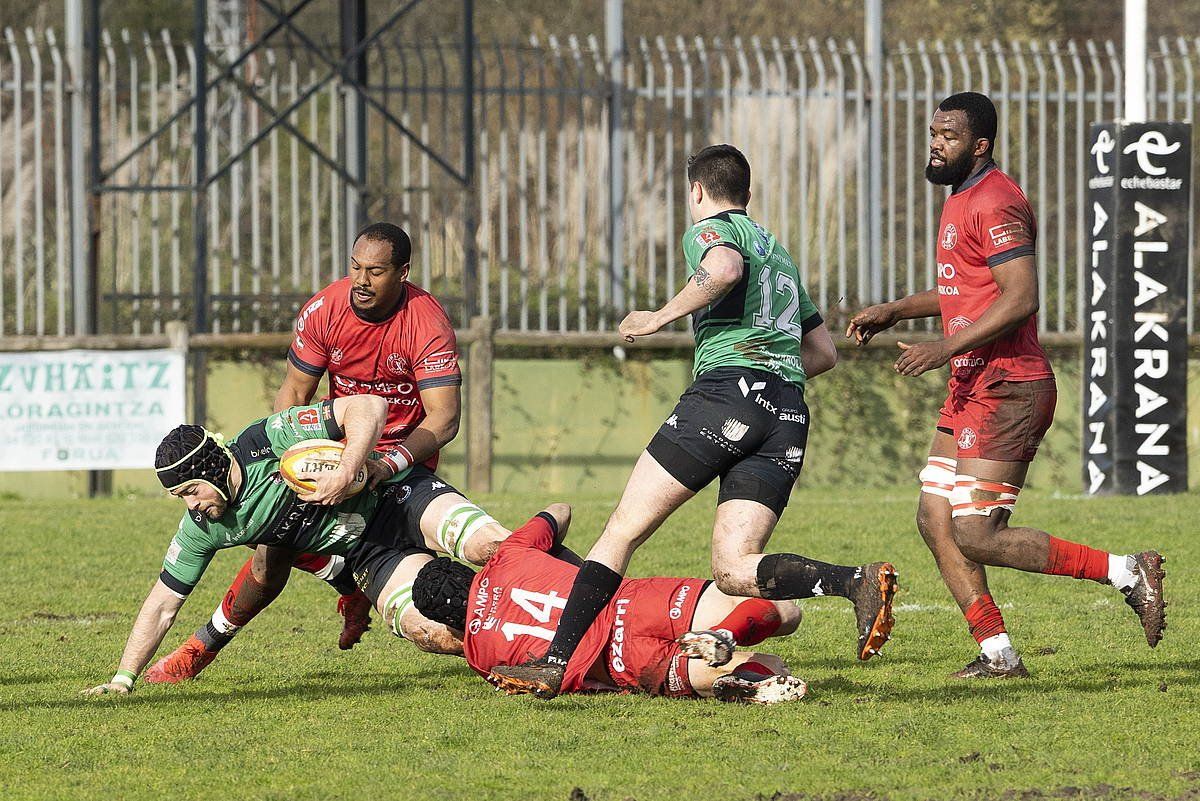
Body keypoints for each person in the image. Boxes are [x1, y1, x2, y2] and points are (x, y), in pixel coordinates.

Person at [488, 144, 898, 699]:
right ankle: (853, 581)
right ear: (748, 195)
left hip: (727, 393)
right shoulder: (778, 254)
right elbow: (823, 354)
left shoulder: (711, 231)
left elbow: (724, 268)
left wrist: (658, 317)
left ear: (696, 191)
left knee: (622, 531)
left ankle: (555, 660)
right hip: (786, 410)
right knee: (733, 569)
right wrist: (770, 369)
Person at [846, 92, 1166, 678]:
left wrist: (943, 346)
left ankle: (1126, 570)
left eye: (948, 136)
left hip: (1009, 386)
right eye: (933, 133)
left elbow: (1021, 298)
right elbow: (967, 293)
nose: (935, 144)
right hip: (972, 385)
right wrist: (897, 309)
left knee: (977, 533)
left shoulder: (995, 201)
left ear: (980, 145)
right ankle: (998, 654)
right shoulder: (960, 198)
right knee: (935, 518)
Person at [145, 222, 466, 683]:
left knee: (423, 563)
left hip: (402, 465)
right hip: (331, 453)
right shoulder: (324, 310)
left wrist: (385, 463)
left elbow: (443, 419)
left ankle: (511, 611)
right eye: (355, 267)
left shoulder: (426, 322)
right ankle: (197, 652)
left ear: (403, 272)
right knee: (270, 548)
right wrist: (285, 469)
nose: (360, 280)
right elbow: (293, 393)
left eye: (375, 271)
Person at [82, 397, 550, 695]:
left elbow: (366, 406)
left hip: (397, 497)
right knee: (430, 633)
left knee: (490, 547)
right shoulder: (205, 529)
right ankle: (530, 653)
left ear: (209, 472)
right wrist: (123, 679)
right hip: (371, 555)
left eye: (190, 492)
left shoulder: (266, 440)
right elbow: (163, 601)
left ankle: (577, 595)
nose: (192, 507)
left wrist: (349, 468)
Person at [412, 511, 809, 704]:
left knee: (774, 666)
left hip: (622, 661)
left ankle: (745, 678)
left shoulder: (479, 657)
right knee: (785, 611)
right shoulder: (508, 556)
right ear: (465, 570)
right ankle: (727, 634)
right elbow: (560, 508)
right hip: (636, 603)